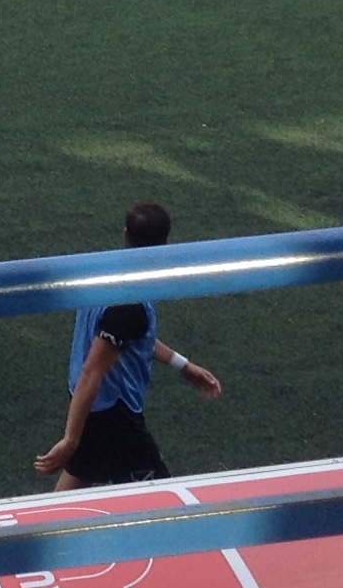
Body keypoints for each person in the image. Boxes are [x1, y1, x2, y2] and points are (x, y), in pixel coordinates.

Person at [35, 201, 222, 488]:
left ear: (125, 234)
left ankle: (39, 528)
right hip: (114, 413)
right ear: (167, 244)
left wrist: (182, 365)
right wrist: (70, 440)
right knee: (161, 495)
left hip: (91, 405)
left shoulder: (103, 270)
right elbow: (93, 371)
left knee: (77, 482)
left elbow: (133, 338)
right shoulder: (131, 303)